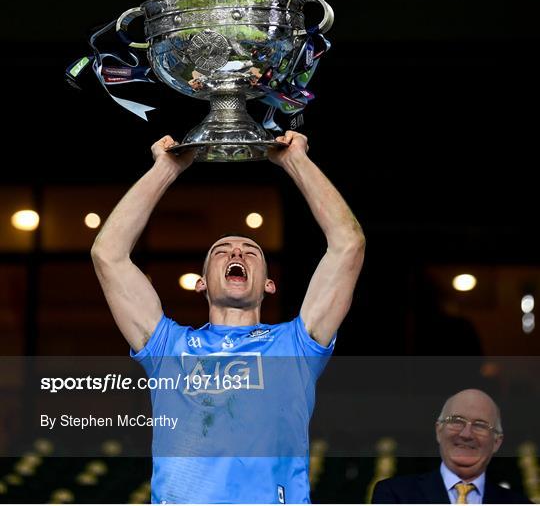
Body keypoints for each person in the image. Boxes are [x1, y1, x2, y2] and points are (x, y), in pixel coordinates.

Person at [91, 131, 365, 504]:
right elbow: (108, 254)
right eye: (222, 250)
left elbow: (348, 246)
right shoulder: (168, 347)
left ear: (269, 285)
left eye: (251, 251)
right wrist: (165, 170)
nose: (237, 250)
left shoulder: (296, 346)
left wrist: (295, 161)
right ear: (202, 283)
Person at [372, 388, 532, 504]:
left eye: (480, 425)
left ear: (496, 442)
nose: (466, 434)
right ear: (438, 431)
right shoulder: (395, 495)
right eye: (456, 421)